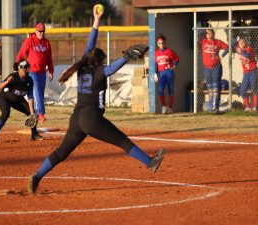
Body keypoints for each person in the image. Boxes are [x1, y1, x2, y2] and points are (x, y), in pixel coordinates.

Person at [27, 5, 165, 194]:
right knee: (123, 141)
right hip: (91, 118)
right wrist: (126, 57)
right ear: (98, 61)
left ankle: (37, 176)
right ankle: (150, 162)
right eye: (103, 60)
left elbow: (91, 45)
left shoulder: (84, 66)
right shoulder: (99, 70)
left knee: (61, 153)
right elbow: (111, 69)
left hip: (76, 118)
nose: (104, 62)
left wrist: (97, 20)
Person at [0, 60, 44, 143]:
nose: (27, 71)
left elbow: (30, 96)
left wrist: (32, 112)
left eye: (28, 69)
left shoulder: (29, 80)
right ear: (20, 69)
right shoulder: (13, 77)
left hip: (17, 100)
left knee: (33, 114)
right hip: (4, 98)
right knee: (5, 114)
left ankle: (34, 134)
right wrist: (7, 82)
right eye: (25, 69)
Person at [15, 22, 54, 123]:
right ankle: (40, 114)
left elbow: (49, 58)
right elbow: (20, 55)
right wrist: (18, 67)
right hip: (32, 72)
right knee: (36, 90)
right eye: (40, 31)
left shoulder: (46, 43)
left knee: (40, 92)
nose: (41, 33)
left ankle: (35, 114)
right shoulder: (30, 41)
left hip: (42, 72)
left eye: (43, 31)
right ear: (36, 31)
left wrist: (51, 71)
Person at [199, 29, 228, 113]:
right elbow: (198, 34)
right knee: (210, 88)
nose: (207, 34)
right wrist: (205, 29)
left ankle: (216, 108)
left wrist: (222, 55)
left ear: (213, 33)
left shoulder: (217, 42)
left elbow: (228, 47)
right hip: (207, 68)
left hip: (216, 67)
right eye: (206, 33)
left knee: (216, 88)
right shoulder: (203, 41)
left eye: (209, 33)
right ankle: (211, 107)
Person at [154, 34, 179, 114]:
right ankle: (164, 107)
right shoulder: (156, 53)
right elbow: (156, 64)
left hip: (169, 72)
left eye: (163, 43)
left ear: (165, 43)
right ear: (157, 44)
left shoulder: (169, 51)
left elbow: (177, 58)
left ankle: (170, 108)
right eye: (159, 43)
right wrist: (155, 73)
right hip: (161, 73)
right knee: (160, 90)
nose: (161, 45)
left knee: (170, 90)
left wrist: (174, 66)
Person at [234, 37, 258, 112]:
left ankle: (255, 108)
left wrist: (240, 49)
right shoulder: (239, 49)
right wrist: (236, 40)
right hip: (246, 73)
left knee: (254, 89)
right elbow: (232, 44)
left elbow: (247, 55)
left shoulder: (249, 48)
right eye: (240, 43)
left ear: (246, 43)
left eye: (243, 42)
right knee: (242, 90)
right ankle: (248, 107)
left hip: (253, 71)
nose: (242, 44)